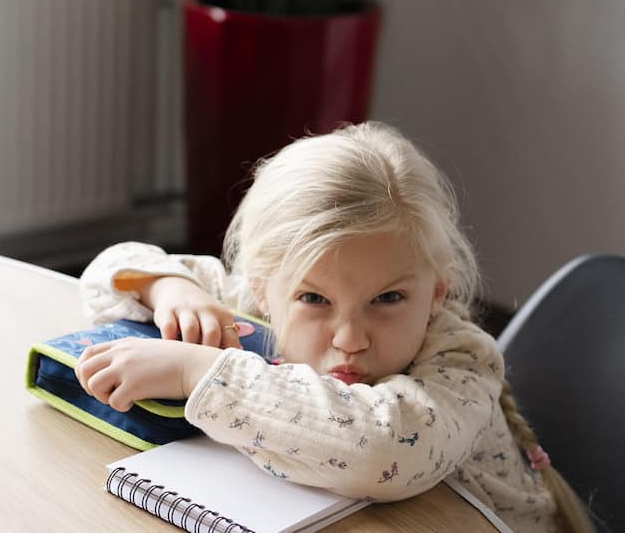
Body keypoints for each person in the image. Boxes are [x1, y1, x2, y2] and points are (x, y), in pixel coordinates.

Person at [76, 122, 594, 533]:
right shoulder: (253, 300)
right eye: (314, 299)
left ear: (437, 292)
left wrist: (200, 373)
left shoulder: (462, 359)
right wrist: (170, 289)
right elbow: (109, 271)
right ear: (262, 289)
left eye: (387, 298)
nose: (350, 338)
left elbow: (385, 448)